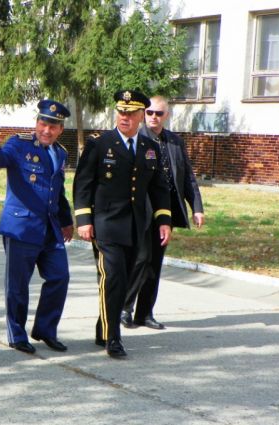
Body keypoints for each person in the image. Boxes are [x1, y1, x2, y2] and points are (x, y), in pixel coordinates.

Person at [73, 90, 172, 359]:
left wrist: (164, 220)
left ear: (141, 116)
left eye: (131, 113)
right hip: (105, 225)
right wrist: (83, 220)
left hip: (136, 227)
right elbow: (83, 184)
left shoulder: (150, 147)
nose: (124, 117)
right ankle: (113, 338)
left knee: (124, 282)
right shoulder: (100, 144)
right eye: (121, 112)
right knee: (113, 278)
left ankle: (102, 328)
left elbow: (159, 188)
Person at [0, 99, 74, 354]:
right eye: (43, 124)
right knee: (18, 285)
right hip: (21, 227)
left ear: (60, 129)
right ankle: (17, 334)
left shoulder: (60, 153)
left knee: (60, 276)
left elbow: (58, 190)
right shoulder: (19, 144)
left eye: (53, 127)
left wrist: (66, 221)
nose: (47, 130)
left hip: (50, 228)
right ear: (36, 123)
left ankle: (45, 329)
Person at [121, 95, 205, 330]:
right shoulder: (137, 139)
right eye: (149, 113)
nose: (154, 117)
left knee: (154, 263)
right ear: (143, 114)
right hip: (142, 210)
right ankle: (124, 309)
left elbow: (187, 176)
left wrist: (197, 207)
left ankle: (145, 313)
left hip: (166, 211)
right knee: (141, 259)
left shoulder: (175, 142)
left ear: (166, 115)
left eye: (159, 113)